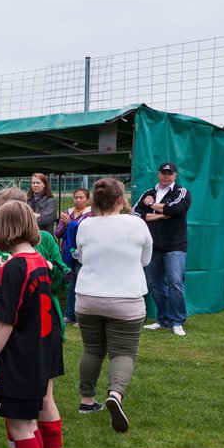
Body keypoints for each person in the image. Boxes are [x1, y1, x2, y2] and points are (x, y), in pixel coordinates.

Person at [0, 187, 69, 448]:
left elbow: (61, 278)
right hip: (9, 340)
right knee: (12, 401)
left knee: (42, 400)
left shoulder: (45, 242)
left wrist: (49, 270)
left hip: (40, 333)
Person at [73, 178, 152, 433]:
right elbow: (145, 259)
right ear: (120, 199)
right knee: (124, 352)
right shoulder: (137, 223)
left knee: (92, 350)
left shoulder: (86, 226)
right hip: (126, 299)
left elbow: (82, 255)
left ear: (94, 201)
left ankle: (87, 400)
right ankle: (115, 394)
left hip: (87, 298)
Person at [133, 161, 191, 335]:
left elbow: (177, 209)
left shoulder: (181, 192)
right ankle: (163, 319)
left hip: (175, 245)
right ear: (158, 174)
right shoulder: (148, 193)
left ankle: (177, 321)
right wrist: (160, 215)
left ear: (175, 175)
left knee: (175, 282)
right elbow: (135, 213)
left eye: (170, 173)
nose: (166, 176)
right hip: (153, 245)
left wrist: (151, 206)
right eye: (163, 173)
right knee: (155, 284)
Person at [54, 188, 92, 324]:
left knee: (83, 285)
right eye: (76, 197)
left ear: (87, 199)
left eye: (81, 197)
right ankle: (70, 315)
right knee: (70, 285)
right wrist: (64, 226)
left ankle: (82, 316)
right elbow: (58, 233)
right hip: (68, 253)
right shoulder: (67, 213)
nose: (78, 200)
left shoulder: (91, 214)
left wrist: (71, 224)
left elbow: (87, 232)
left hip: (83, 253)